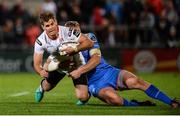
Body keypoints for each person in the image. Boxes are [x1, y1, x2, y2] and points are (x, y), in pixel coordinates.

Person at [65, 21, 180, 108]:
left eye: (77, 32)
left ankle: (171, 102)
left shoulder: (89, 37)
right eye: (71, 32)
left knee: (134, 81)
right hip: (93, 83)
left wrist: (79, 70)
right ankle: (136, 104)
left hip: (108, 72)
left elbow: (96, 60)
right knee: (115, 100)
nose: (75, 35)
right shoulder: (64, 47)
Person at [33, 12, 93, 103]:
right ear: (43, 27)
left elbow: (89, 43)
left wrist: (75, 49)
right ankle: (41, 88)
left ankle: (86, 93)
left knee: (83, 97)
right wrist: (41, 71)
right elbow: (37, 64)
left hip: (76, 63)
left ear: (56, 22)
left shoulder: (69, 31)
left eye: (52, 24)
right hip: (59, 64)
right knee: (47, 87)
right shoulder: (40, 41)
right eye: (47, 25)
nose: (51, 27)